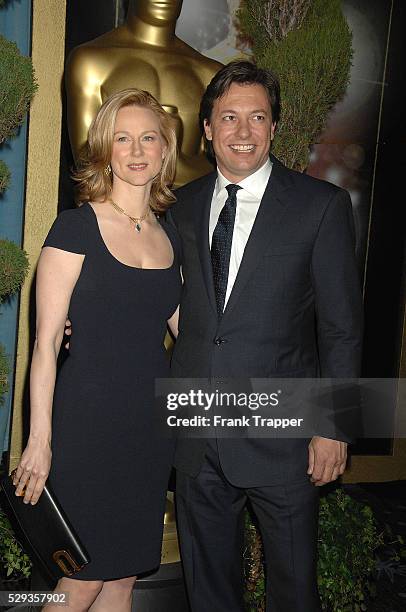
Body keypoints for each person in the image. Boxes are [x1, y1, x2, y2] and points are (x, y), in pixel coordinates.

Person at [168, 61, 363, 611]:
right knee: (208, 594)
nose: (244, 131)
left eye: (258, 117)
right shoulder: (177, 207)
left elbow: (342, 328)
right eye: (229, 117)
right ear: (207, 128)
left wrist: (334, 427)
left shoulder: (319, 207)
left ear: (275, 127)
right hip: (198, 438)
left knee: (294, 591)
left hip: (286, 440)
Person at [13, 89, 181, 612]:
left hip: (148, 433)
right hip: (87, 430)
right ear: (105, 149)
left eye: (148, 137)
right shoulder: (75, 227)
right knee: (82, 578)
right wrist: (38, 442)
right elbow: (43, 347)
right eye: (122, 138)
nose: (136, 149)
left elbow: (193, 333)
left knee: (124, 577)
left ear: (164, 149)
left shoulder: (170, 235)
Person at [65, 0, 222, 186]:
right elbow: (88, 167)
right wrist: (171, 160)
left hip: (190, 213)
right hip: (115, 212)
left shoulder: (209, 74)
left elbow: (224, 167)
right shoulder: (90, 62)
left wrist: (173, 160)